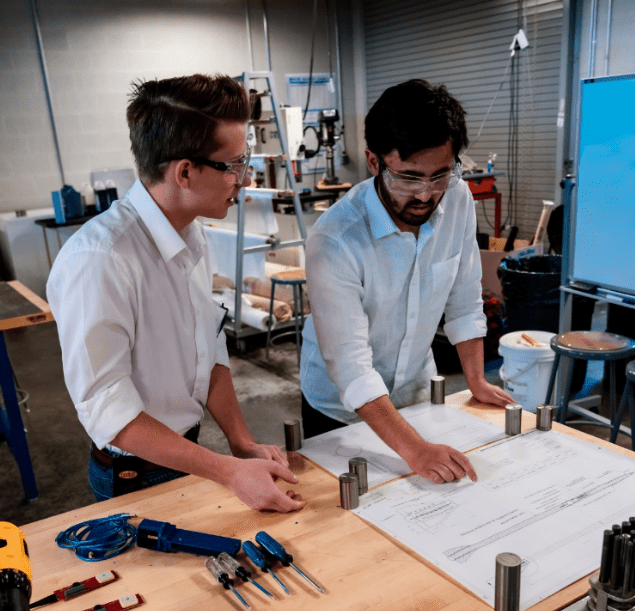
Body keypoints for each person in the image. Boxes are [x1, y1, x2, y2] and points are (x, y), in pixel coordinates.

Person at [47, 73, 305, 512]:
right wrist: (226, 471)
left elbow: (210, 347)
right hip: (136, 472)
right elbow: (110, 412)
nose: (243, 180)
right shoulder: (99, 260)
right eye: (235, 166)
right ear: (185, 171)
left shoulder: (192, 236)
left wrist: (240, 443)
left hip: (190, 455)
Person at [300, 78, 515, 485]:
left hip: (413, 394)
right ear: (374, 161)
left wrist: (476, 380)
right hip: (338, 408)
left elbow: (465, 295)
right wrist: (414, 449)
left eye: (440, 176)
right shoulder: (335, 238)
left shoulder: (457, 199)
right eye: (409, 178)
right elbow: (349, 364)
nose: (426, 195)